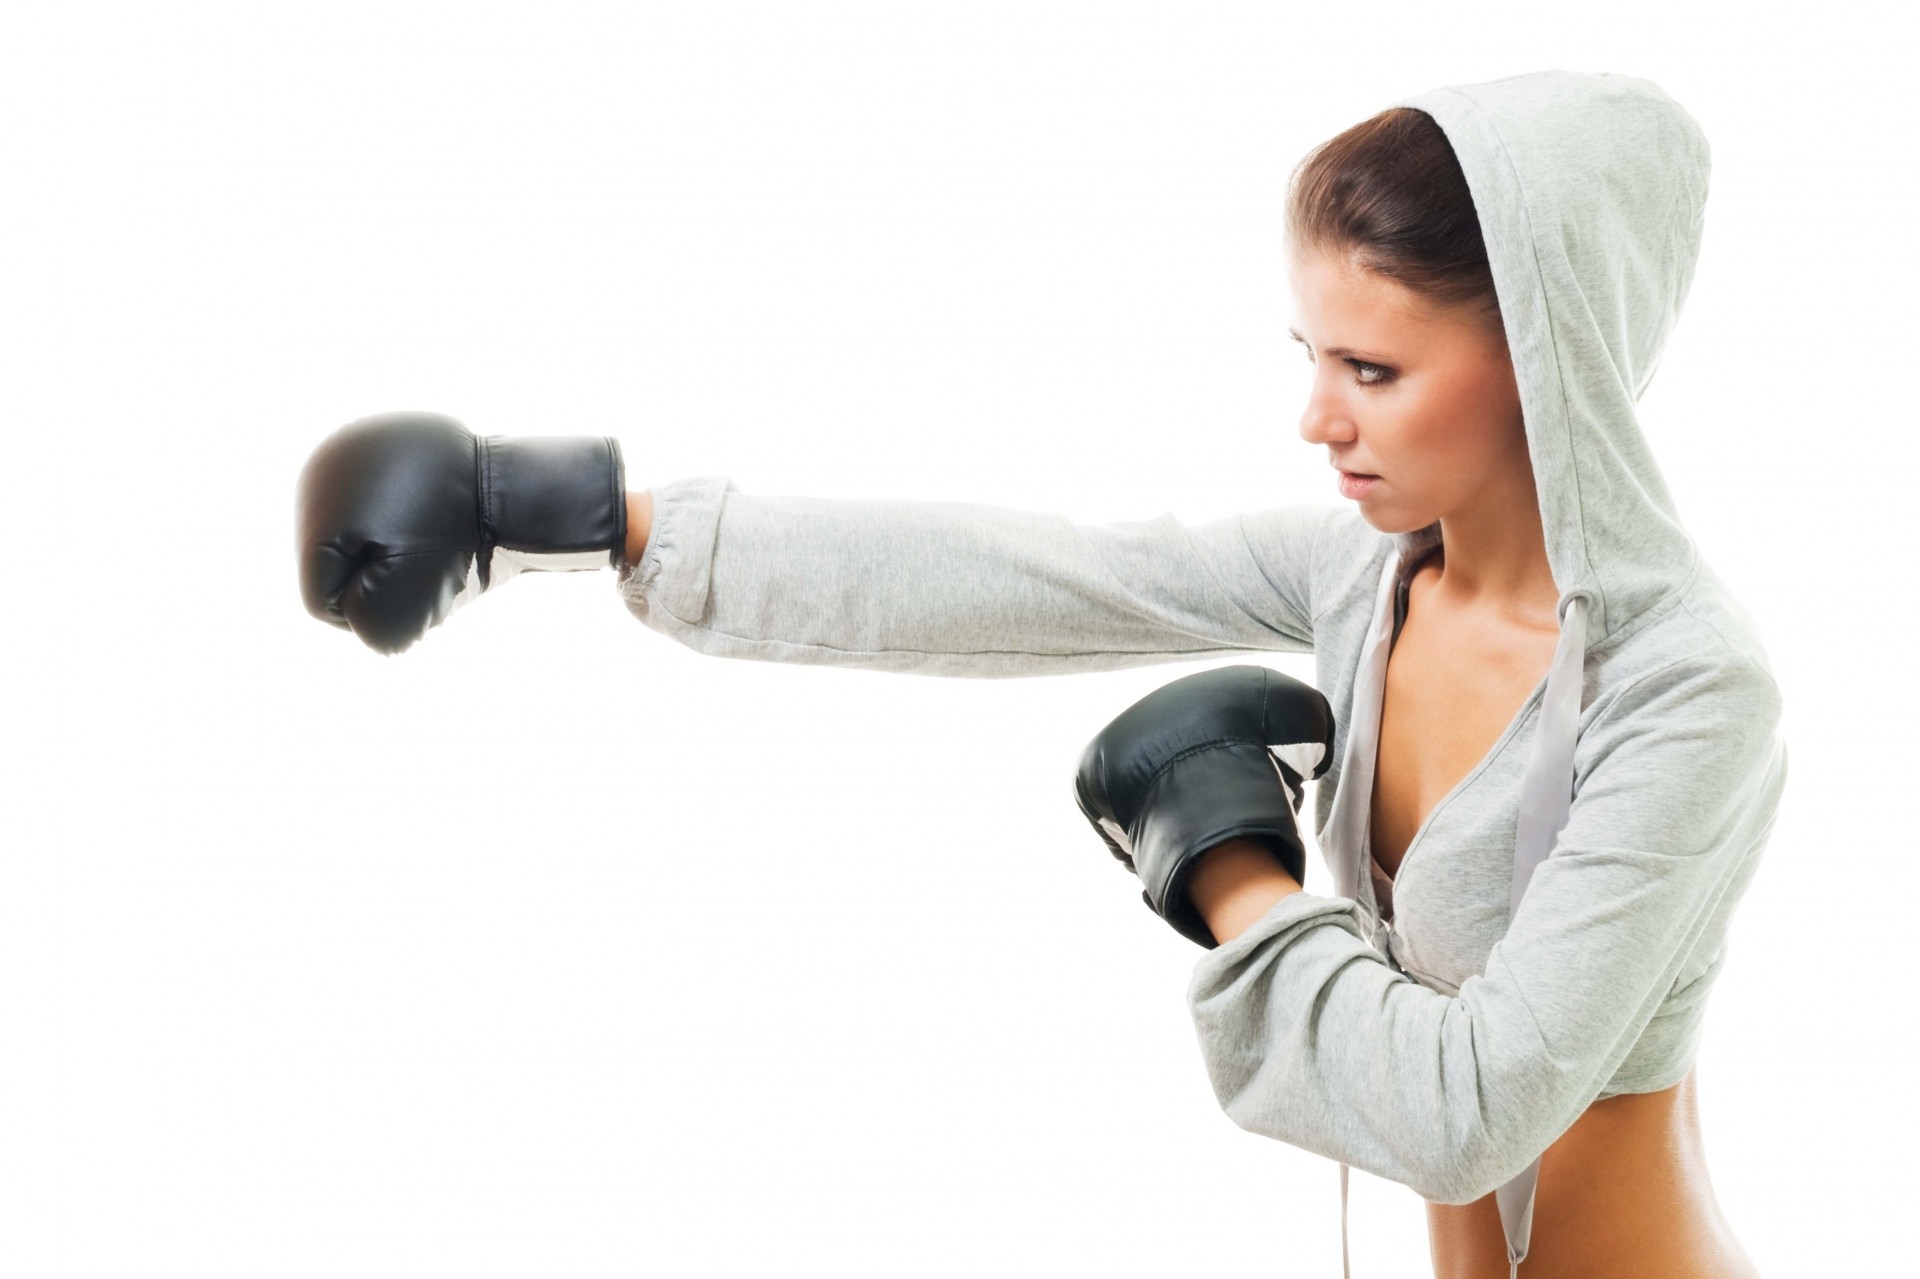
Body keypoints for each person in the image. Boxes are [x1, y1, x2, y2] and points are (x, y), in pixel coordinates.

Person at [296, 69, 1783, 1279]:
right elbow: (1043, 574)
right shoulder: (1372, 576)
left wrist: (1232, 870)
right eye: (1309, 354)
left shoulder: (1685, 693)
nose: (1315, 418)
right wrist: (583, 519)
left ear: (1552, 359)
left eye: (1373, 373)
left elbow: (1464, 1108)